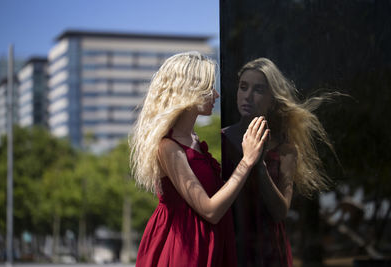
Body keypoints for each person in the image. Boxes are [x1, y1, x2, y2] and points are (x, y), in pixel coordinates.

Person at [130, 52, 270, 267]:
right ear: (187, 92)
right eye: (208, 88)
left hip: (205, 243)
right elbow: (210, 210)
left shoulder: (193, 140)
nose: (216, 94)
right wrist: (247, 160)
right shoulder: (169, 147)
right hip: (185, 249)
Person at [222, 58, 337, 267]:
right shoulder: (222, 141)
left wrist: (260, 166)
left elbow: (281, 211)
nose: (247, 96)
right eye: (243, 87)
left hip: (269, 251)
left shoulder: (285, 150)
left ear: (272, 100)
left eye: (258, 90)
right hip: (231, 245)